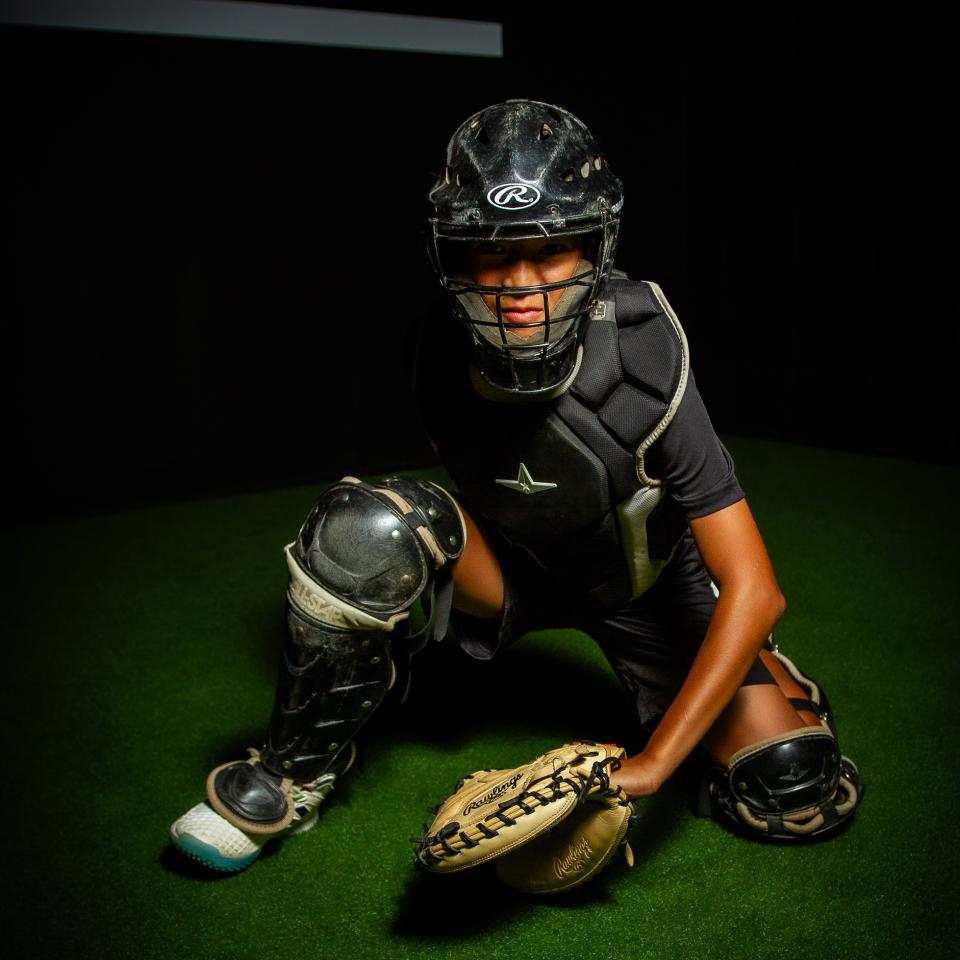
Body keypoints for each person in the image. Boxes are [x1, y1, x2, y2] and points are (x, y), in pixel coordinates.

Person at [169, 99, 862, 873]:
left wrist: (653, 766)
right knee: (365, 529)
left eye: (555, 248)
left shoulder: (643, 353)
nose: (522, 284)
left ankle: (769, 680)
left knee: (788, 788)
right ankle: (289, 774)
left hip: (651, 590)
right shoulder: (436, 347)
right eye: (492, 252)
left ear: (596, 249)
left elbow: (756, 589)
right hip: (519, 570)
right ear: (451, 255)